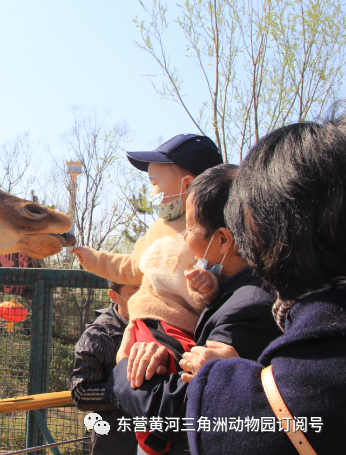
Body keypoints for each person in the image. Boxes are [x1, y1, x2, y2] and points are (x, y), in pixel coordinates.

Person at [183, 113, 346, 453]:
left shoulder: (244, 398)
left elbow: (172, 410)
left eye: (189, 228)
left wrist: (124, 374)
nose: (182, 239)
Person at [103, 164, 282, 454]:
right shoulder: (228, 293)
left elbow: (179, 411)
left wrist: (123, 368)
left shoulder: (248, 307)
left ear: (223, 240)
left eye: (189, 228)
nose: (184, 239)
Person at [71, 134, 223, 454]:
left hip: (177, 330)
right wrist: (93, 258)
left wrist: (208, 287)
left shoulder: (206, 227)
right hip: (141, 324)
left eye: (155, 182)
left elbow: (216, 279)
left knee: (158, 398)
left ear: (188, 183)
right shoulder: (157, 227)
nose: (151, 191)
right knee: (139, 387)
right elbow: (130, 267)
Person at [71, 281, 140, 454]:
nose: (144, 296)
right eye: (136, 289)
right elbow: (82, 393)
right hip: (116, 441)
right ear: (114, 295)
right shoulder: (97, 336)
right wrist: (130, 393)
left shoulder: (161, 324)